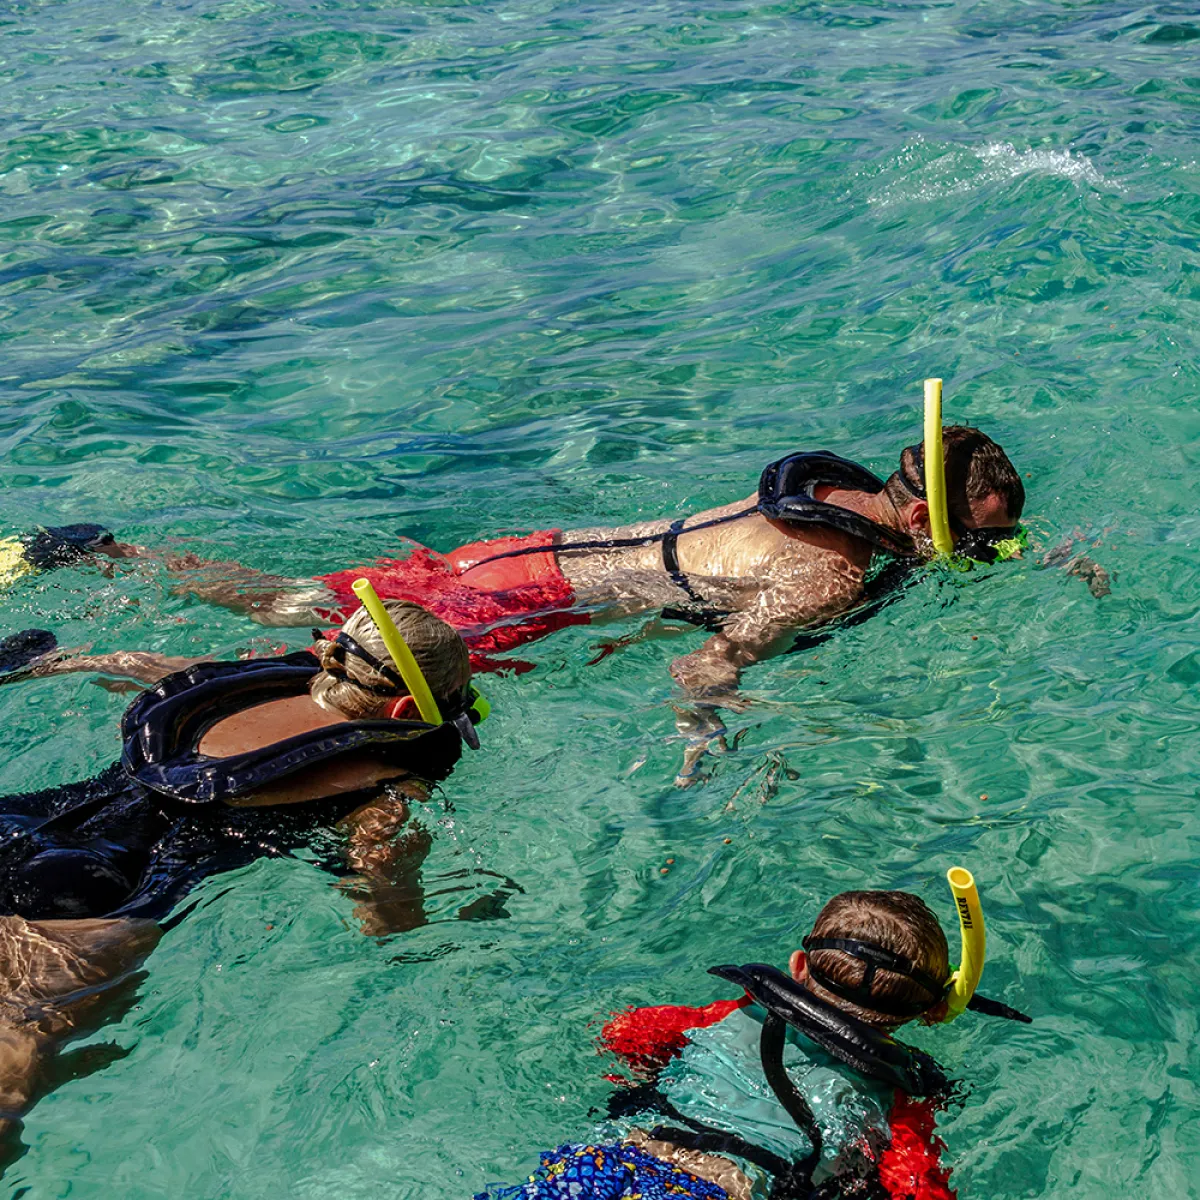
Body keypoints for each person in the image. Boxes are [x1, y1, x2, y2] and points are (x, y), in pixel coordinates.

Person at [7, 426, 1025, 780]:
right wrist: (706, 740)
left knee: (295, 601)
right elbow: (702, 663)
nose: (977, 555)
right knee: (311, 683)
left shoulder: (839, 490)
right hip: (518, 610)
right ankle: (60, 662)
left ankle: (105, 554)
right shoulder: (830, 574)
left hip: (521, 557)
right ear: (932, 518)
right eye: (974, 541)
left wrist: (1045, 558)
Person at [0, 599, 494, 1146]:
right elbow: (384, 920)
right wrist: (457, 931)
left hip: (26, 818)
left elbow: (142, 665)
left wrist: (55, 661)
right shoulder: (387, 791)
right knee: (12, 1073)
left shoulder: (258, 684)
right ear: (404, 713)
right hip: (96, 897)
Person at [475, 878, 1030, 1200]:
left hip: (609, 1159)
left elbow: (622, 1033)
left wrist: (640, 1074)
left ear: (796, 967)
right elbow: (917, 1189)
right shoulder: (902, 1097)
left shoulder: (725, 1013)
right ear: (933, 1010)